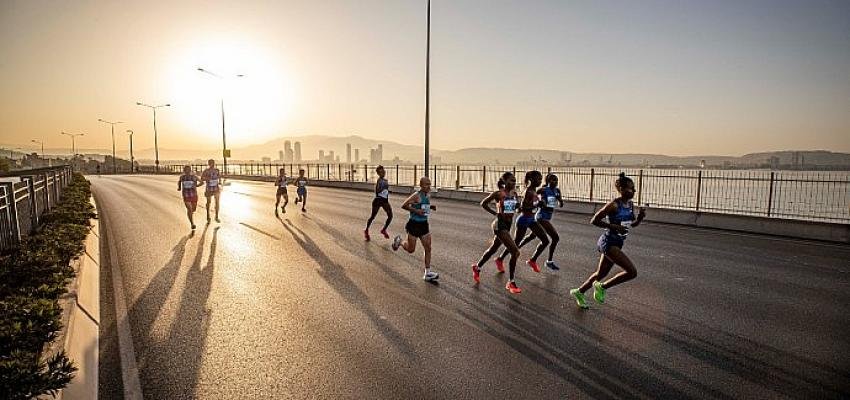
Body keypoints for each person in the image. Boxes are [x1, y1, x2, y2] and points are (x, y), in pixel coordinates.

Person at [569, 172, 646, 309]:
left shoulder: (630, 205)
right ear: (621, 189)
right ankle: (602, 287)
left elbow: (631, 225)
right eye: (631, 188)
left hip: (618, 242)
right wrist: (614, 226)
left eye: (634, 188)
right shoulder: (613, 205)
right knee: (632, 272)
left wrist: (640, 219)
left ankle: (579, 292)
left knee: (601, 274)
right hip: (608, 242)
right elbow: (594, 220)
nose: (634, 191)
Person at [471, 171, 523, 294]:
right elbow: (483, 203)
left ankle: (477, 267)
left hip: (508, 225)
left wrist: (519, 207)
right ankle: (511, 282)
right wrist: (495, 213)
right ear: (504, 181)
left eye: (515, 181)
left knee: (493, 249)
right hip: (499, 225)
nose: (513, 183)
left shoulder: (514, 194)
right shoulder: (499, 194)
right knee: (515, 252)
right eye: (511, 180)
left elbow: (516, 208)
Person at [493, 170, 550, 274]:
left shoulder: (534, 191)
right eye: (538, 179)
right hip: (524, 220)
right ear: (531, 179)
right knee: (515, 244)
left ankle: (532, 260)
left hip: (532, 219)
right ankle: (500, 259)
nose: (540, 181)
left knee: (545, 240)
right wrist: (538, 204)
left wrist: (541, 203)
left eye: (541, 179)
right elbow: (523, 208)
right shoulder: (528, 192)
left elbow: (534, 204)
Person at [392, 177, 439, 282]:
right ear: (421, 185)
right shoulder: (416, 195)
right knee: (411, 250)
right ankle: (400, 241)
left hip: (424, 225)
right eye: (426, 184)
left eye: (429, 184)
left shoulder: (427, 195)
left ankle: (427, 273)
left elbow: (423, 206)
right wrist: (417, 211)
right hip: (414, 224)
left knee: (428, 248)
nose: (429, 186)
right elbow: (404, 205)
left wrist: (430, 207)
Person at [513, 173, 564, 270]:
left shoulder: (557, 191)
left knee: (532, 236)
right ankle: (548, 261)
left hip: (547, 217)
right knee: (555, 237)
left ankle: (518, 249)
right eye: (552, 180)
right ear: (547, 181)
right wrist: (538, 203)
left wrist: (560, 201)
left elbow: (560, 202)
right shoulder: (543, 190)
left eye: (556, 180)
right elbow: (533, 197)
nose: (555, 182)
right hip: (541, 216)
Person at [364, 165, 393, 241]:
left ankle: (384, 230)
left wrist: (387, 191)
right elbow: (377, 191)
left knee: (390, 216)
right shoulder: (380, 181)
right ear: (378, 173)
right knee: (372, 217)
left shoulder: (385, 180)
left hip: (384, 201)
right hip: (378, 200)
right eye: (381, 172)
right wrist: (383, 188)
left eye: (383, 171)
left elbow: (384, 191)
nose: (383, 172)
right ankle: (366, 230)